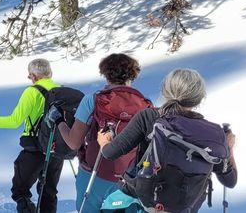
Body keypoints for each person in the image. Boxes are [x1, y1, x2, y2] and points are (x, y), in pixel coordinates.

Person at [97, 69, 237, 213]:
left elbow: (110, 152)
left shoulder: (149, 117)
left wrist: (104, 142)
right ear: (200, 97)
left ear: (165, 91)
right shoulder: (213, 134)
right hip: (183, 207)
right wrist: (229, 148)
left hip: (145, 200)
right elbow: (230, 181)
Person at [57, 53, 150, 213]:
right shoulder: (145, 105)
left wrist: (59, 122)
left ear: (106, 74)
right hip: (130, 177)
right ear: (133, 75)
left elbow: (74, 142)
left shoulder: (92, 100)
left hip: (95, 172)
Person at [0, 58, 63, 213]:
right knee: (48, 192)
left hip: (35, 148)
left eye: (30, 76)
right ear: (50, 73)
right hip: (57, 148)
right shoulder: (62, 91)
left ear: (34, 76)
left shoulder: (32, 92)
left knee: (20, 190)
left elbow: (14, 121)